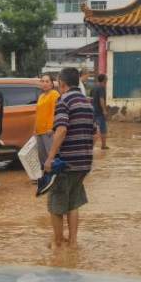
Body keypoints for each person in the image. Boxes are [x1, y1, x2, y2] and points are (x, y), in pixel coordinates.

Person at [42, 67, 94, 248]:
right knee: (73, 203)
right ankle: (72, 243)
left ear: (62, 83)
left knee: (55, 202)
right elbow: (92, 132)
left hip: (65, 163)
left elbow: (62, 129)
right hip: (84, 162)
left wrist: (50, 157)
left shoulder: (63, 100)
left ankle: (57, 243)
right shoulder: (87, 102)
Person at [34, 73, 60, 167]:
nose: (44, 83)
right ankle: (45, 177)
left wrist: (52, 128)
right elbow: (38, 114)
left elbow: (55, 112)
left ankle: (54, 177)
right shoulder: (41, 96)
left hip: (48, 131)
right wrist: (35, 129)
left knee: (51, 156)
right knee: (42, 157)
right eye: (42, 81)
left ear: (52, 84)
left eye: (47, 81)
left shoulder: (54, 94)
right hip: (39, 131)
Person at [92, 73, 109, 150]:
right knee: (101, 130)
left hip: (94, 111)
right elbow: (101, 100)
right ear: (104, 80)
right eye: (106, 79)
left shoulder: (95, 87)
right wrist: (104, 111)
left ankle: (103, 145)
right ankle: (102, 145)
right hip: (99, 112)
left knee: (98, 129)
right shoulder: (101, 87)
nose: (107, 80)